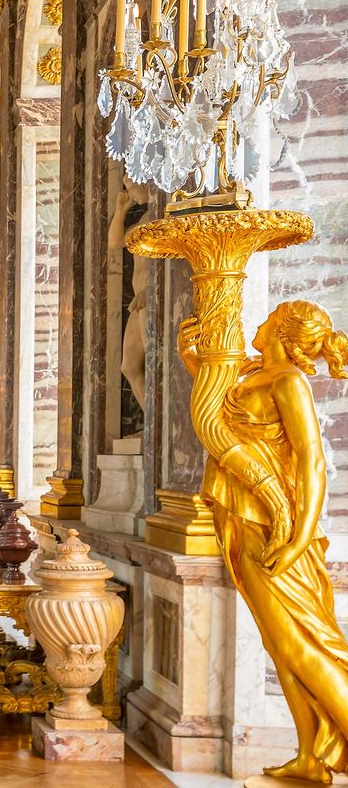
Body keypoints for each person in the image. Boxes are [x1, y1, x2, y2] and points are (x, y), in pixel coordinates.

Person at [179, 301, 348, 782]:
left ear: (283, 331)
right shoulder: (253, 373)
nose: (257, 324)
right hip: (242, 520)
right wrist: (193, 361)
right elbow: (221, 422)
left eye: (267, 320)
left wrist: (296, 540)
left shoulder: (288, 381)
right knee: (280, 645)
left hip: (277, 529)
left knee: (301, 647)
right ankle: (311, 757)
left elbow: (312, 462)